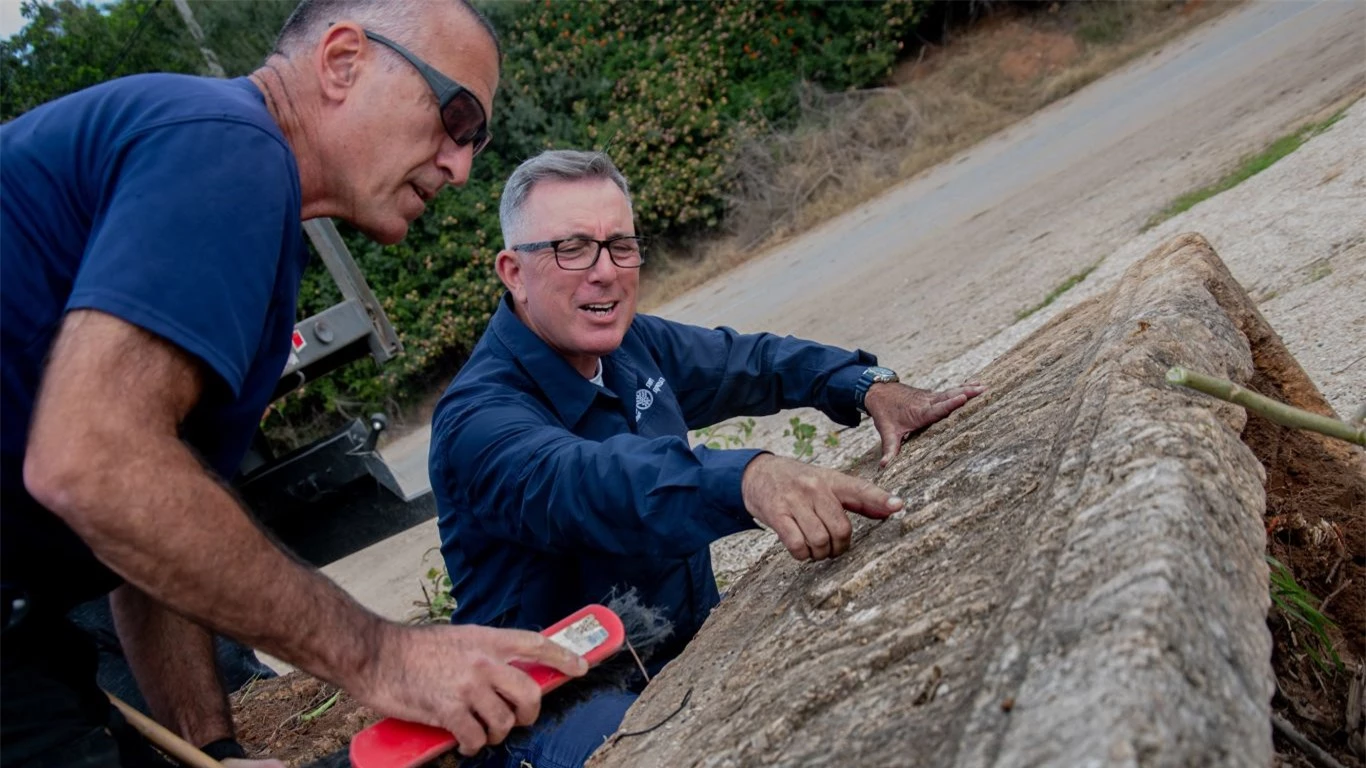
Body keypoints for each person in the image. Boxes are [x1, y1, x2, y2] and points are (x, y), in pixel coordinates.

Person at [0, 2, 587, 766]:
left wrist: (217, 749)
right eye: (456, 115)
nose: (461, 165)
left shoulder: (239, 202)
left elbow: (144, 533)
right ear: (343, 60)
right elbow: (93, 463)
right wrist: (384, 657)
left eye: (475, 141)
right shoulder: (227, 144)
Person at [428, 149, 984, 766]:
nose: (605, 272)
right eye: (573, 249)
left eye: (620, 245)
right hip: (553, 703)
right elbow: (595, 486)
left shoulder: (631, 346)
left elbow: (749, 362)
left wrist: (866, 383)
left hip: (683, 647)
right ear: (513, 271)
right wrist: (749, 478)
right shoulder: (477, 421)